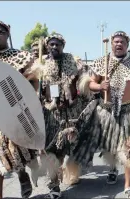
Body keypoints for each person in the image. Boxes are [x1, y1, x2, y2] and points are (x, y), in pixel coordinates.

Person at [71, 31, 130, 199]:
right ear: (111, 44)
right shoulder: (101, 62)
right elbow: (89, 83)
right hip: (107, 110)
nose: (119, 44)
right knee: (111, 145)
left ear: (127, 45)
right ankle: (112, 168)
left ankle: (127, 185)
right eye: (116, 42)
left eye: (122, 42)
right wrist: (100, 87)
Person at [0, 20, 40, 199]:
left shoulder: (21, 57)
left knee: (17, 155)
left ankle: (22, 175)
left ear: (7, 34)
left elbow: (34, 83)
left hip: (12, 119)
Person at [35, 33, 89, 198]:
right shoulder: (42, 65)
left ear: (62, 46)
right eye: (51, 44)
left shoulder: (74, 61)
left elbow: (84, 81)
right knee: (51, 149)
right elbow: (39, 88)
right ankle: (54, 187)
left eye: (57, 44)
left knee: (73, 146)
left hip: (72, 112)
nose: (54, 47)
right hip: (52, 113)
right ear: (47, 46)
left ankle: (72, 173)